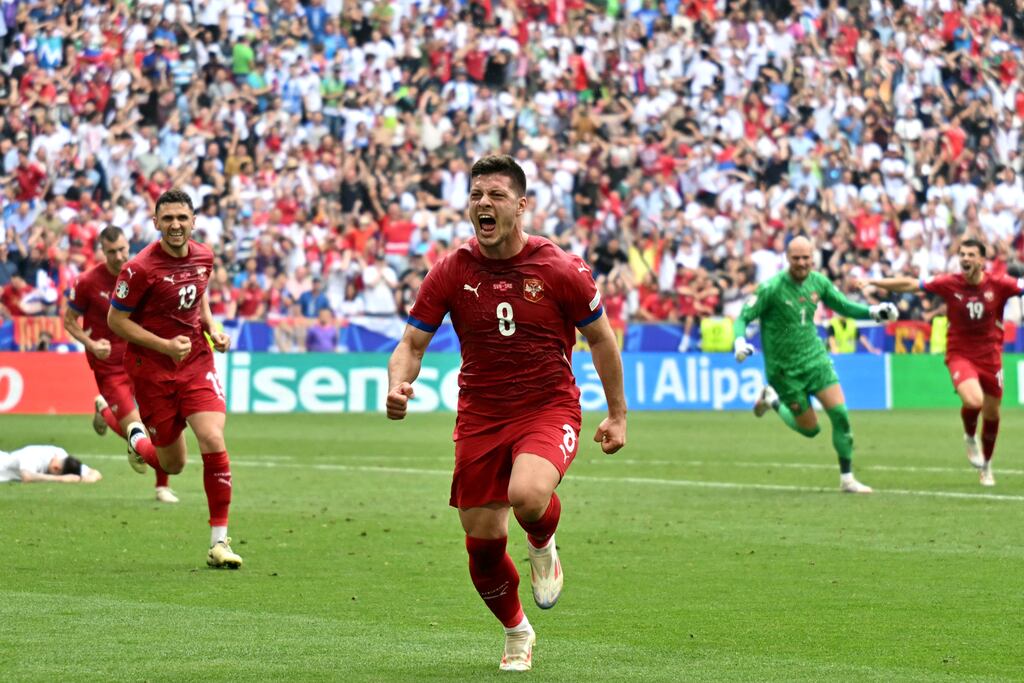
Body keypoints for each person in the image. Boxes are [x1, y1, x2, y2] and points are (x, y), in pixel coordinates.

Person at [386, 155, 627, 673]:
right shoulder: (452, 269)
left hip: (547, 405)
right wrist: (398, 383)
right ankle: (517, 630)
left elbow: (602, 339)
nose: (483, 204)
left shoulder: (560, 268)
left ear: (520, 206)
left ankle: (542, 541)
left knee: (527, 495)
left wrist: (617, 414)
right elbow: (411, 342)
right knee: (482, 544)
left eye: (495, 195)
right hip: (480, 414)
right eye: (476, 196)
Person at [107, 189, 241, 569]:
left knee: (213, 437)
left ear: (194, 220)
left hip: (196, 361)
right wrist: (164, 345)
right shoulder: (139, 269)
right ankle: (136, 439)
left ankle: (219, 542)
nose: (176, 225)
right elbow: (116, 321)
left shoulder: (204, 256)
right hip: (152, 372)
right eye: (168, 219)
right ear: (156, 223)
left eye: (182, 217)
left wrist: (212, 328)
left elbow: (198, 297)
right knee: (174, 464)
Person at [733, 236, 898, 494]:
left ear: (813, 258)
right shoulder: (771, 288)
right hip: (785, 371)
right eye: (796, 258)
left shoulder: (818, 282)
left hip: (815, 360)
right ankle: (772, 399)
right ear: (787, 259)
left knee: (841, 415)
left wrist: (874, 312)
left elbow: (843, 306)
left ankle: (847, 478)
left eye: (806, 258)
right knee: (811, 429)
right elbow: (743, 317)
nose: (801, 263)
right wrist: (739, 341)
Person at [861, 239, 1022, 486]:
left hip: (991, 357)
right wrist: (874, 281)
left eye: (971, 255)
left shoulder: (999, 284)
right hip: (960, 354)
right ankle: (969, 437)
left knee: (992, 413)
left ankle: (987, 466)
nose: (965, 258)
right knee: (974, 400)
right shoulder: (949, 283)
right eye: (962, 254)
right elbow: (911, 284)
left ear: (981, 260)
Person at [64, 226, 179, 503]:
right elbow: (69, 321)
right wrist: (90, 344)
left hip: (140, 358)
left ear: (129, 246)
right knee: (136, 427)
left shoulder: (139, 274)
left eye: (123, 249)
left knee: (159, 420)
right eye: (112, 251)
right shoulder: (88, 282)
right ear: (103, 251)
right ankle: (106, 411)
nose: (119, 256)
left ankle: (162, 486)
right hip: (108, 365)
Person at [0, 445, 103, 483]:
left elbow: (96, 473)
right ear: (56, 468)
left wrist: (81, 479)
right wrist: (61, 479)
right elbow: (27, 477)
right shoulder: (33, 456)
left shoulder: (62, 456)